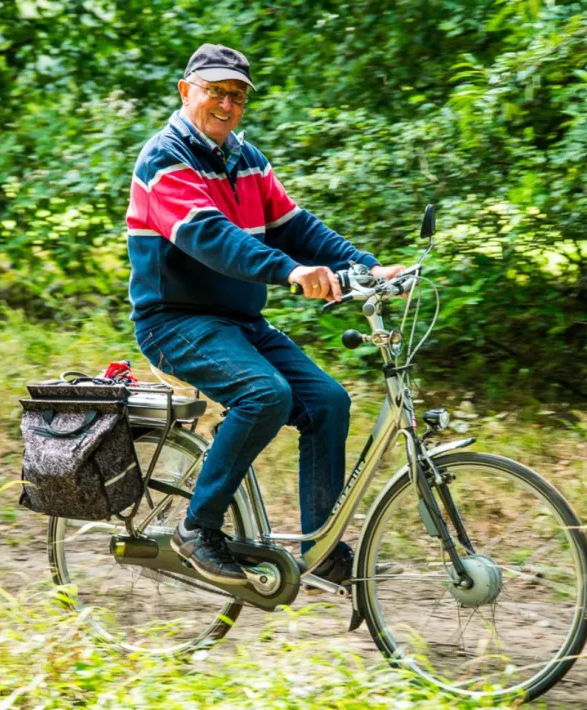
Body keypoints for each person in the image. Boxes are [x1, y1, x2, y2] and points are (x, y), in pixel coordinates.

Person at [125, 43, 405, 586]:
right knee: (265, 395)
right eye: (215, 91)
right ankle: (197, 529)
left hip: (239, 321)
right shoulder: (164, 158)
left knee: (327, 402)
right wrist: (290, 271)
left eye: (237, 95)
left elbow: (296, 228)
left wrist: (367, 267)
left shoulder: (247, 159)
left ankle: (321, 550)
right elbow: (211, 237)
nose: (227, 105)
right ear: (186, 91)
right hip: (175, 322)